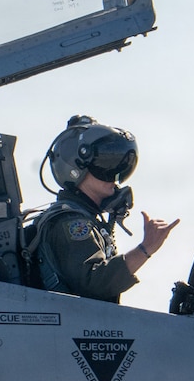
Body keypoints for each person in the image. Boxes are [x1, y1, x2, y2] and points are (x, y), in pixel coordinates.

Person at [28, 115, 178, 302]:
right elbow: (94, 283)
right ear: (76, 168)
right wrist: (146, 248)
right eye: (106, 166)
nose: (115, 176)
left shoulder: (85, 219)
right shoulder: (71, 222)